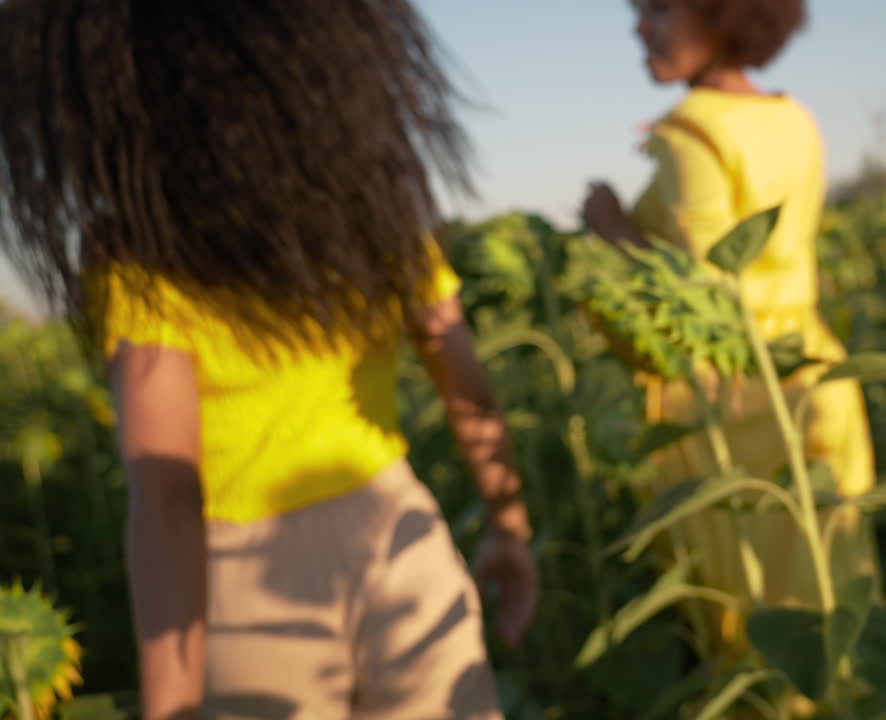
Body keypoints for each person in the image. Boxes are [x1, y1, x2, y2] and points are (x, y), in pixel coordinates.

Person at [0, 2, 536, 718]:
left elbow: (166, 493)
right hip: (399, 537)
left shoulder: (141, 254)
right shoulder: (372, 204)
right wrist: (509, 524)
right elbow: (461, 374)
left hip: (241, 580)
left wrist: (171, 706)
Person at [581, 1, 886, 714]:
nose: (640, 28)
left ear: (720, 13)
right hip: (811, 376)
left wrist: (611, 227)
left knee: (756, 631)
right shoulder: (795, 117)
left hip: (733, 402)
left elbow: (705, 287)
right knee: (838, 604)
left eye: (659, 9)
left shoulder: (692, 129)